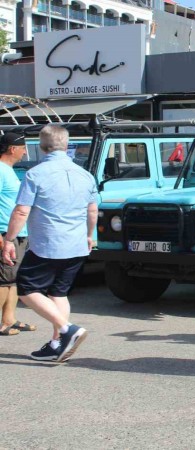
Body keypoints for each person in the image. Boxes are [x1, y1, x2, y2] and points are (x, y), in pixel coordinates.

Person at [1, 125, 97, 362]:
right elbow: (92, 210)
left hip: (48, 244)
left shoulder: (35, 174)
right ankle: (57, 343)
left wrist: (9, 240)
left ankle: (67, 329)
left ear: (42, 147)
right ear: (66, 145)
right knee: (58, 292)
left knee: (26, 288)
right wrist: (89, 235)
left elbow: (21, 211)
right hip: (76, 244)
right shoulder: (85, 174)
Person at [0, 133, 35, 336]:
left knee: (13, 278)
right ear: (12, 149)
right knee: (4, 279)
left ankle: (9, 319)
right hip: (5, 233)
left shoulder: (9, 170)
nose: (25, 152)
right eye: (23, 148)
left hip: (16, 233)